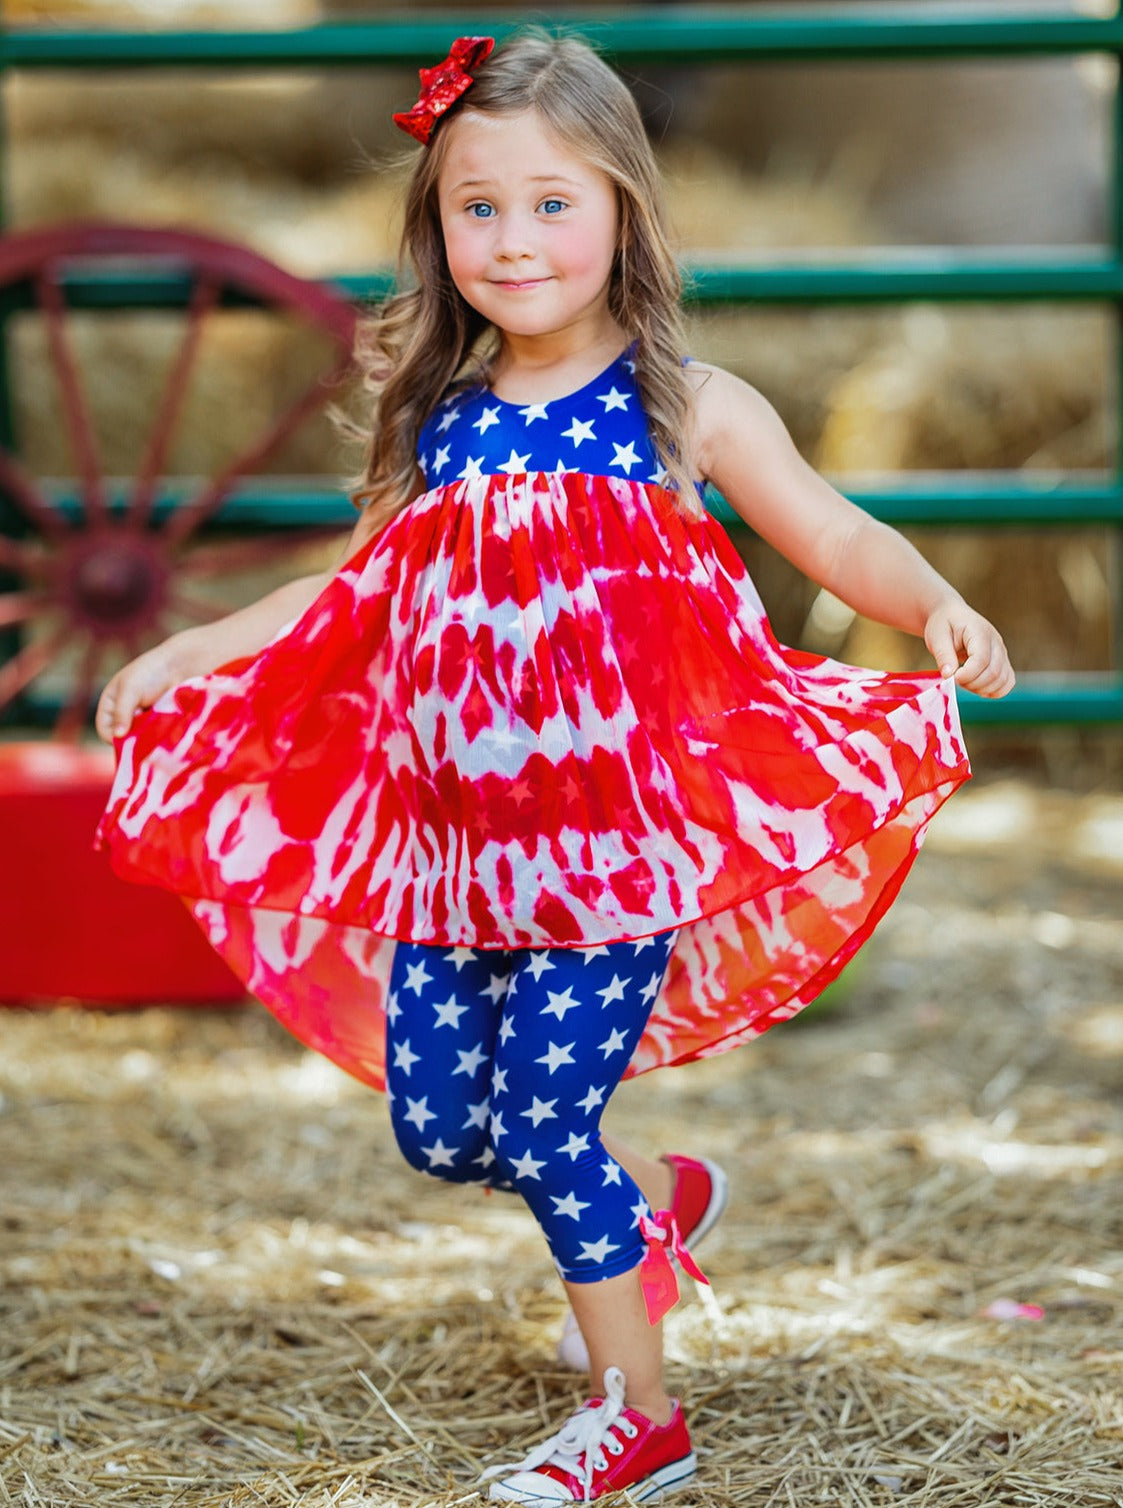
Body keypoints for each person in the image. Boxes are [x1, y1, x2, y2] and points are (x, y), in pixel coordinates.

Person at [96, 29, 1015, 1503]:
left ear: (624, 213)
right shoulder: (439, 420)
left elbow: (836, 534)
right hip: (457, 854)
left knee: (541, 1125)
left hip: (610, 850)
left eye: (550, 203)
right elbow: (352, 591)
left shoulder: (683, 407)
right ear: (436, 225)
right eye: (478, 207)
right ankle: (659, 1200)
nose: (514, 240)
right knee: (441, 1129)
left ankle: (637, 1416)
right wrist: (193, 651)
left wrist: (935, 602)